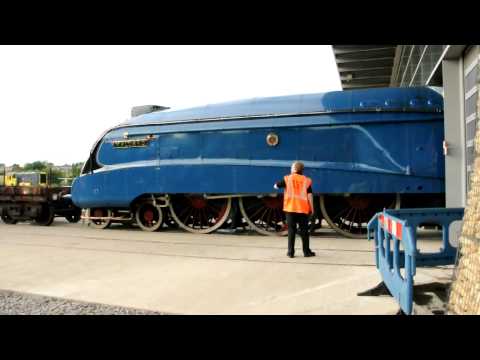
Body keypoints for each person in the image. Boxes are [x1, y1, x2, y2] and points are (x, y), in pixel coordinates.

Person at [274, 161, 316, 258]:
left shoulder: (287, 179)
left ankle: (290, 252)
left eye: (292, 167)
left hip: (290, 209)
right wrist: (312, 209)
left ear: (295, 169)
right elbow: (310, 195)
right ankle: (306, 252)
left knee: (291, 230)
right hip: (302, 209)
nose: (291, 168)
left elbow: (276, 186)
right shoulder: (306, 180)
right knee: (304, 231)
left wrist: (277, 185)